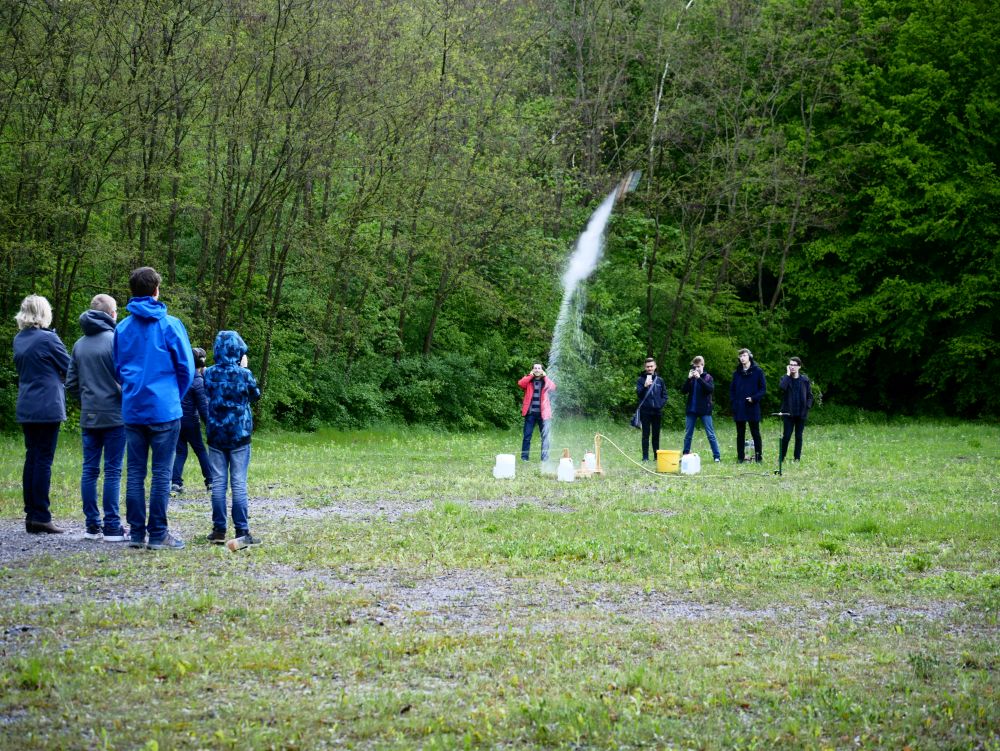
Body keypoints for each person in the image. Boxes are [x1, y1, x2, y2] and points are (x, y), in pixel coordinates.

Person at [113, 267, 195, 550]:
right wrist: (173, 396)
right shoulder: (171, 325)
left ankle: (137, 534)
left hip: (134, 408)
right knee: (161, 473)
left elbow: (118, 369)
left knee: (135, 472)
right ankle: (158, 533)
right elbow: (187, 368)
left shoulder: (122, 328)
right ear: (156, 291)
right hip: (164, 409)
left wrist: (134, 390)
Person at [66, 294, 127, 541]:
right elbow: (127, 378)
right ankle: (112, 526)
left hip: (89, 415)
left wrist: (87, 399)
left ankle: (92, 526)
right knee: (112, 471)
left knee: (89, 470)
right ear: (112, 314)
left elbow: (71, 384)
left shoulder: (79, 344)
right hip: (115, 415)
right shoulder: (116, 341)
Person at [14, 295, 71, 534]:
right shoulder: (48, 338)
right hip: (47, 405)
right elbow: (70, 367)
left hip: (27, 403)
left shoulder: (19, 339)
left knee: (32, 457)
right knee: (43, 460)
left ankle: (31, 514)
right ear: (43, 313)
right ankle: (41, 515)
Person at [204, 330, 261, 545]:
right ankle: (242, 531)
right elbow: (255, 395)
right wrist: (243, 369)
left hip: (216, 434)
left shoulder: (209, 373)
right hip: (239, 434)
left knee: (219, 483)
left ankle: (219, 530)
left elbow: (208, 393)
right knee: (238, 483)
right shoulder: (244, 374)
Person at [171, 347, 213, 495]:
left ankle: (175, 483)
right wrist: (210, 426)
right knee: (200, 450)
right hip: (191, 421)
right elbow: (203, 408)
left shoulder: (179, 377)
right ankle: (211, 481)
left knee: (180, 451)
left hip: (176, 419)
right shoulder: (198, 381)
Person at [681, 355, 721, 463]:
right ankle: (685, 455)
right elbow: (683, 391)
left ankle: (717, 456)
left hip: (705, 410)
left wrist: (699, 378)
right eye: (695, 367)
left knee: (710, 434)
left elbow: (709, 390)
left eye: (698, 366)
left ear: (703, 365)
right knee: (688, 434)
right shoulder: (692, 378)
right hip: (691, 409)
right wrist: (688, 379)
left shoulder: (708, 377)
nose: (696, 369)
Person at [729, 348, 766, 462]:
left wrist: (753, 398)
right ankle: (740, 457)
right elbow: (732, 390)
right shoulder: (737, 373)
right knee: (740, 433)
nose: (742, 358)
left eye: (744, 355)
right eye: (740, 356)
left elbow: (763, 389)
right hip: (739, 407)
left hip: (752, 406)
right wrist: (734, 402)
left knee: (755, 433)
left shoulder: (758, 371)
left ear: (749, 356)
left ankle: (758, 457)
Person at [779, 356, 814, 463]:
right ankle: (781, 458)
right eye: (791, 365)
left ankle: (797, 458)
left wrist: (807, 407)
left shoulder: (804, 380)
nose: (792, 367)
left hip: (801, 414)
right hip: (788, 413)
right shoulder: (785, 378)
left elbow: (810, 396)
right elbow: (782, 388)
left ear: (799, 367)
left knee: (798, 437)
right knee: (786, 436)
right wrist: (787, 374)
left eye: (794, 365)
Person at [518, 363, 556, 461]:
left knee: (545, 437)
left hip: (543, 415)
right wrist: (530, 376)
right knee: (527, 436)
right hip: (530, 414)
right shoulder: (529, 381)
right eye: (535, 368)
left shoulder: (545, 381)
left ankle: (545, 458)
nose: (537, 370)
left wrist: (545, 377)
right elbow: (520, 383)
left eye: (539, 368)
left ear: (542, 370)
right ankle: (524, 458)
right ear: (532, 370)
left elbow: (553, 387)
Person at [635, 357, 668, 462]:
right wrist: (645, 386)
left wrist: (659, 405)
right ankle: (645, 457)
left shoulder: (660, 380)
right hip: (645, 411)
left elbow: (665, 396)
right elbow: (639, 395)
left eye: (651, 366)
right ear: (645, 367)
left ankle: (656, 457)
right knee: (645, 435)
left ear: (655, 367)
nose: (649, 368)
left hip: (657, 412)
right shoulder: (640, 380)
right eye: (647, 366)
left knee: (656, 435)